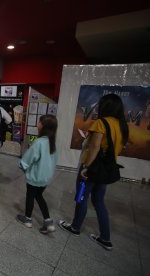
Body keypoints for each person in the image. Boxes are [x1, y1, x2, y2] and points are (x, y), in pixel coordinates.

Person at [58, 94, 129, 251]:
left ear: (106, 106)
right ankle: (105, 238)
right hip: (105, 171)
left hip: (90, 171)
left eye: (101, 104)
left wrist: (86, 168)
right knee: (99, 201)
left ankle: (75, 227)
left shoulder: (101, 123)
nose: (98, 106)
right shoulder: (122, 126)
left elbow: (95, 147)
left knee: (81, 196)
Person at [16, 115, 58, 234]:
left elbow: (29, 158)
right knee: (39, 196)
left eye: (39, 121)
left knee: (30, 196)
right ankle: (48, 221)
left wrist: (22, 165)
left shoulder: (39, 142)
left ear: (43, 126)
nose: (37, 123)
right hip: (45, 178)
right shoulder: (52, 142)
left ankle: (27, 219)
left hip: (35, 177)